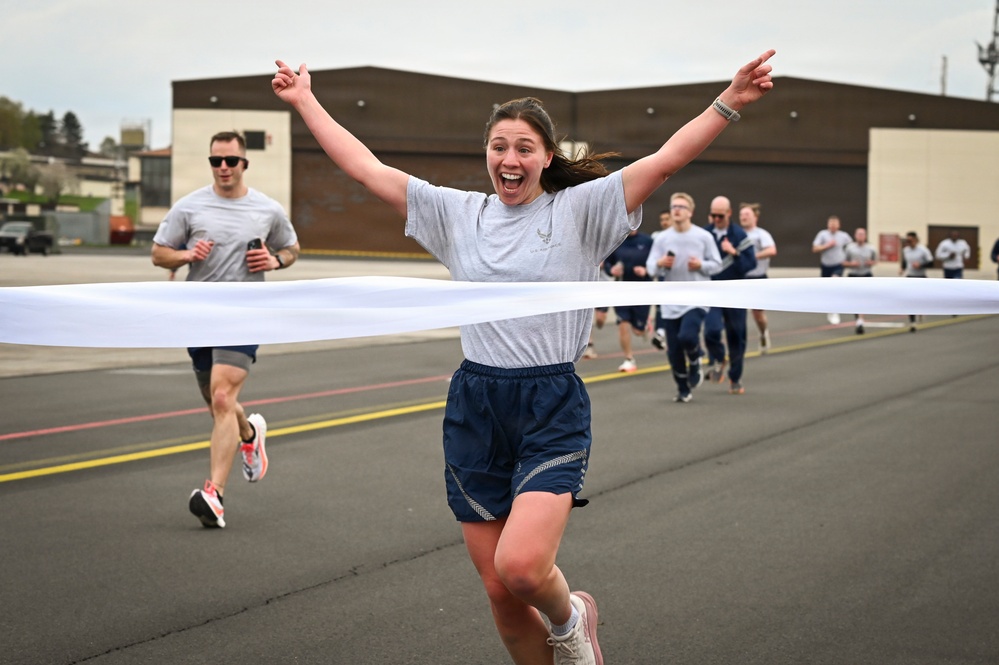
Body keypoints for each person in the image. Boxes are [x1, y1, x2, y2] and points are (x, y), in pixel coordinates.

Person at [273, 50, 775, 665]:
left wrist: (730, 101)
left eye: (524, 147)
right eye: (499, 146)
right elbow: (366, 169)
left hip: (549, 403)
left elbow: (665, 161)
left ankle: (572, 618)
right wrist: (304, 100)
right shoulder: (457, 214)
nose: (510, 159)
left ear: (546, 156)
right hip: (476, 404)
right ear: (487, 153)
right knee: (498, 591)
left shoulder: (581, 210)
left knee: (521, 568)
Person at [151, 131, 301, 529]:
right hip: (198, 314)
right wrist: (185, 254)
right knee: (215, 400)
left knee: (221, 395)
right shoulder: (190, 206)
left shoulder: (266, 209)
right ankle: (249, 433)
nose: (223, 168)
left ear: (244, 164)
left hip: (244, 312)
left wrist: (275, 261)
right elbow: (158, 252)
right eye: (216, 161)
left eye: (230, 161)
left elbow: (291, 248)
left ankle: (214, 494)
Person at [646, 192, 721, 402]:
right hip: (671, 301)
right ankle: (683, 388)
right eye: (673, 206)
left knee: (687, 336)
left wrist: (701, 265)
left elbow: (717, 264)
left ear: (691, 212)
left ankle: (696, 359)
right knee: (674, 352)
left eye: (681, 206)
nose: (676, 210)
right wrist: (660, 263)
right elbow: (651, 267)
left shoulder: (703, 237)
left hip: (697, 298)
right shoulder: (662, 238)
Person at [703, 196, 757, 394]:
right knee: (711, 330)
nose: (716, 219)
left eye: (720, 215)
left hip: (735, 293)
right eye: (713, 215)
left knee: (737, 336)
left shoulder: (739, 235)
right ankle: (718, 358)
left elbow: (751, 265)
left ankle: (735, 378)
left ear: (729, 213)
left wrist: (734, 252)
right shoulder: (704, 233)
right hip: (711, 292)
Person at [603, 228, 654, 372]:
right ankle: (628, 358)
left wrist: (646, 271)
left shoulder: (648, 241)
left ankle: (644, 324)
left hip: (642, 290)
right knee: (623, 323)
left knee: (638, 331)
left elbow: (656, 263)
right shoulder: (617, 240)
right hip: (622, 290)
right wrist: (612, 270)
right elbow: (607, 263)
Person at [738, 202, 776, 353]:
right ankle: (738, 346)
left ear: (755, 217)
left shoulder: (761, 234)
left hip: (757, 278)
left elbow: (772, 250)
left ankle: (763, 333)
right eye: (741, 215)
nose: (743, 217)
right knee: (736, 314)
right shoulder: (737, 233)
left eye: (747, 215)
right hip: (740, 278)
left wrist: (752, 257)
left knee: (758, 315)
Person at [811, 215, 852, 324]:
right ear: (828, 224)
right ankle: (830, 308)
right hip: (826, 265)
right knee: (827, 289)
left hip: (838, 265)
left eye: (835, 224)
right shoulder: (822, 234)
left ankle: (835, 310)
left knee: (835, 283)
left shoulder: (844, 236)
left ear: (839, 225)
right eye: (831, 223)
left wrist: (849, 261)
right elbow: (815, 248)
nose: (833, 226)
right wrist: (827, 245)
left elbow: (851, 248)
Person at [842, 227, 878, 334]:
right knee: (855, 299)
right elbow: (843, 262)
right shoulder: (850, 248)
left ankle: (860, 319)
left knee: (864, 298)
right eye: (859, 234)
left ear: (865, 236)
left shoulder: (871, 248)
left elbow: (875, 260)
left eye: (863, 234)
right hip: (854, 275)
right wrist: (852, 264)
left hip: (866, 275)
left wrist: (871, 263)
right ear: (855, 235)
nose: (861, 236)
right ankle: (858, 319)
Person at [649, 208, 675, 350]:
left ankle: (664, 333)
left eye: (667, 219)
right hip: (663, 275)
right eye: (662, 220)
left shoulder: (679, 236)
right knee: (661, 304)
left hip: (678, 279)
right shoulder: (657, 237)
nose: (664, 222)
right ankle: (660, 332)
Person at [900, 230, 933, 332]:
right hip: (910, 277)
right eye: (907, 241)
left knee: (921, 298)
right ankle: (912, 322)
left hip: (921, 276)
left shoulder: (923, 250)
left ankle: (921, 310)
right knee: (910, 299)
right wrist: (902, 268)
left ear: (916, 240)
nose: (909, 243)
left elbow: (931, 263)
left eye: (911, 241)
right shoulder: (906, 250)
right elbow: (905, 261)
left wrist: (920, 265)